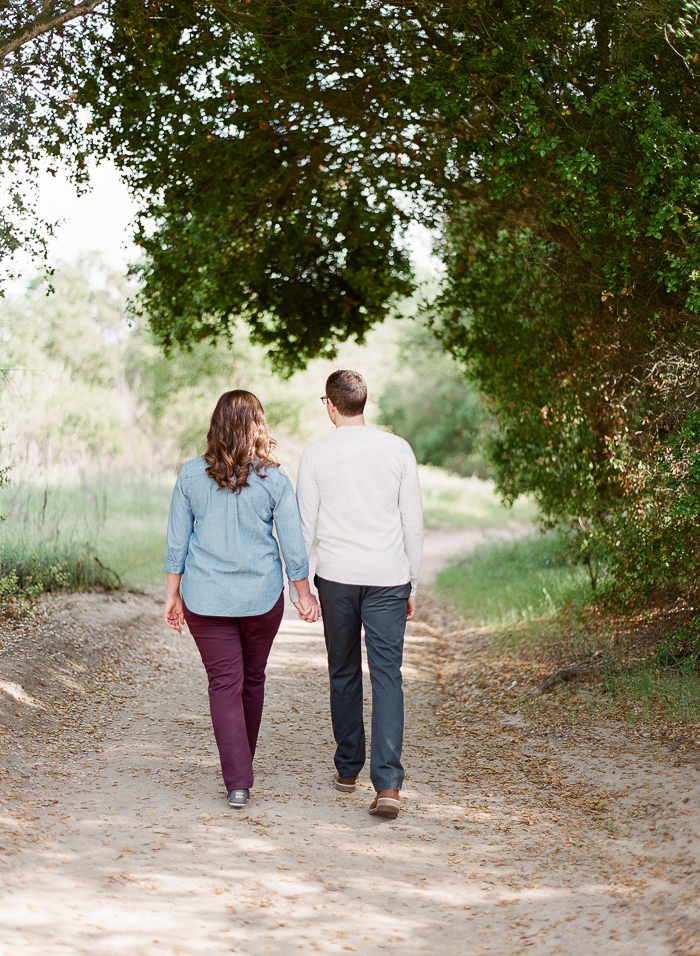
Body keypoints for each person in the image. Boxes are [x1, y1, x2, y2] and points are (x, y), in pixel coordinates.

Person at [163, 389, 321, 810]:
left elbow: (177, 541)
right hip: (260, 597)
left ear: (215, 425)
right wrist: (304, 595)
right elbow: (293, 544)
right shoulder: (274, 479)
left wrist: (172, 595)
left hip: (206, 597)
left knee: (224, 683)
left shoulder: (191, 475)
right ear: (259, 426)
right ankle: (239, 768)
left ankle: (238, 777)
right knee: (251, 679)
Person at [295, 370, 423, 819]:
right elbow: (412, 523)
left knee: (343, 671)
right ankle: (387, 785)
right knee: (388, 676)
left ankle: (348, 769)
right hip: (389, 577)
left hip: (337, 578)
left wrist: (300, 586)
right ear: (363, 403)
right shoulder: (397, 449)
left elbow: (301, 527)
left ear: (330, 404)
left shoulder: (315, 455)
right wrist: (413, 580)